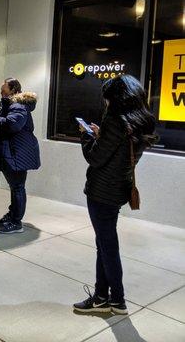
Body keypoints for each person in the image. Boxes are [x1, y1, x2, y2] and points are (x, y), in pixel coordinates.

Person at [73, 75, 157, 315]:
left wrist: (86, 135)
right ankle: (101, 296)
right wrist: (101, 136)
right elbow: (118, 150)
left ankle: (116, 299)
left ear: (116, 99)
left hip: (101, 191)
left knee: (107, 245)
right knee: (105, 242)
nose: (106, 103)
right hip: (119, 188)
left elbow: (95, 158)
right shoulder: (143, 121)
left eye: (107, 99)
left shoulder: (115, 120)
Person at [0, 78, 41, 234]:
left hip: (18, 153)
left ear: (13, 90)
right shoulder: (12, 105)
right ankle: (12, 215)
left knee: (18, 187)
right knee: (15, 187)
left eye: (3, 88)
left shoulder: (18, 106)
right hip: (14, 152)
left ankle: (16, 222)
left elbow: (12, 125)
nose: (1, 91)